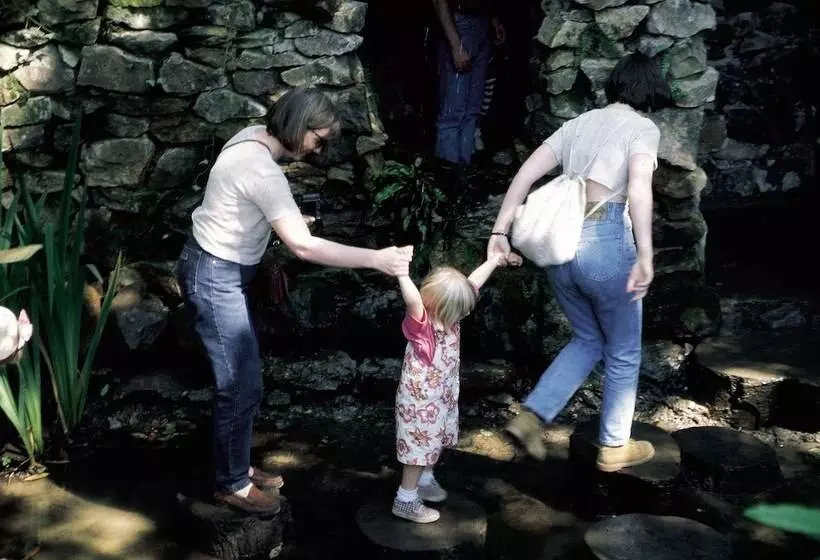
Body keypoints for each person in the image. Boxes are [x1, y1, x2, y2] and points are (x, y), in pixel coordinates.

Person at [176, 87, 414, 515]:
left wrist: (272, 239)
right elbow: (304, 248)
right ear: (297, 125)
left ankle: (237, 467)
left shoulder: (250, 138)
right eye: (318, 140)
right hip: (214, 275)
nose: (319, 150)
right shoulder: (263, 171)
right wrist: (377, 259)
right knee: (239, 382)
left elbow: (240, 209)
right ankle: (231, 484)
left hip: (219, 266)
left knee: (243, 377)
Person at [486, 53, 674, 472]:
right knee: (624, 351)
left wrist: (499, 233)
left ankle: (531, 418)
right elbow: (640, 191)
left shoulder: (579, 124)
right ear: (649, 89)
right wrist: (646, 256)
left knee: (588, 338)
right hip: (606, 244)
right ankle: (613, 446)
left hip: (560, 249)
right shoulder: (643, 128)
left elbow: (523, 176)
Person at [392, 250, 520, 523]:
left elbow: (473, 283)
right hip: (419, 406)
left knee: (435, 440)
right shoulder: (423, 327)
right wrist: (402, 273)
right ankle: (405, 499)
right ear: (442, 308)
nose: (465, 314)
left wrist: (494, 261)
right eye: (461, 311)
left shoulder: (450, 315)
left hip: (441, 398)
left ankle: (425, 479)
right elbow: (414, 300)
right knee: (417, 449)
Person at [431, 0, 505, 165]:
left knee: (472, 109)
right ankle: (448, 176)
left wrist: (493, 19)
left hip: (481, 23)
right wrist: (456, 46)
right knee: (453, 113)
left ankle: (463, 170)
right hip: (459, 24)